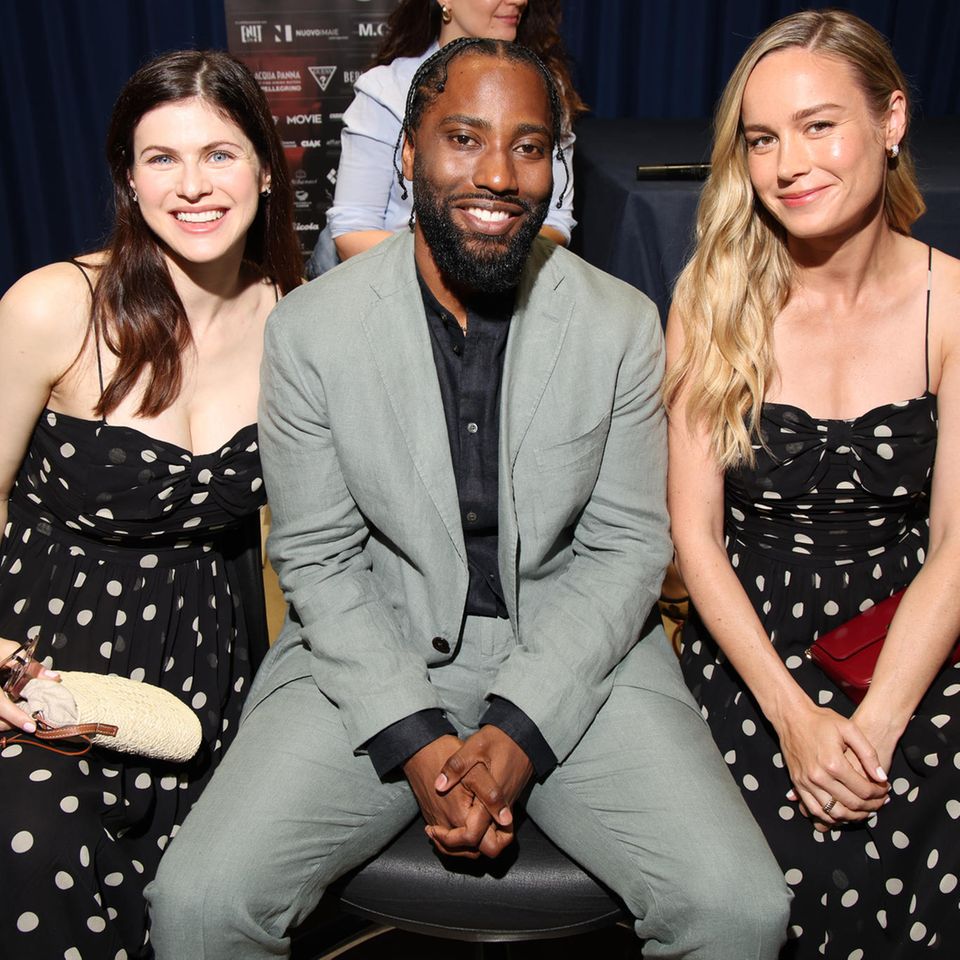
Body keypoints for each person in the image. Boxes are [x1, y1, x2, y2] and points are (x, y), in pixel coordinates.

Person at [147, 38, 790, 960]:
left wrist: (518, 729)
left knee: (738, 910)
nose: (498, 173)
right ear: (409, 155)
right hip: (367, 648)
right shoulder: (312, 330)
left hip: (577, 650)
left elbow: (624, 552)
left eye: (529, 147)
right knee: (201, 905)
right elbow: (320, 560)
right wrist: (416, 739)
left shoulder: (617, 321)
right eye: (464, 138)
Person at [665, 9, 960, 957]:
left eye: (819, 125)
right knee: (778, 874)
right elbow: (696, 540)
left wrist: (874, 726)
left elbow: (956, 543)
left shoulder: (950, 302)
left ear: (893, 120)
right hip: (750, 640)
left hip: (913, 630)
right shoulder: (712, 294)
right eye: (762, 139)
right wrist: (793, 717)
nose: (789, 163)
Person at [0, 50, 301, 958]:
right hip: (39, 651)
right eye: (160, 158)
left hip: (205, 660)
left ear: (261, 168)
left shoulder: (300, 323)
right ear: (129, 180)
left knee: (203, 903)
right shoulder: (56, 304)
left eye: (218, 153)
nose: (193, 185)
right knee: (37, 847)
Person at [306, 0, 584, 276]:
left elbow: (556, 222)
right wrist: (457, 268)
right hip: (390, 284)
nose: (519, 0)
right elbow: (353, 232)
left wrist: (488, 262)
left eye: (527, 147)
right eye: (463, 139)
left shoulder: (544, 90)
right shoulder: (387, 91)